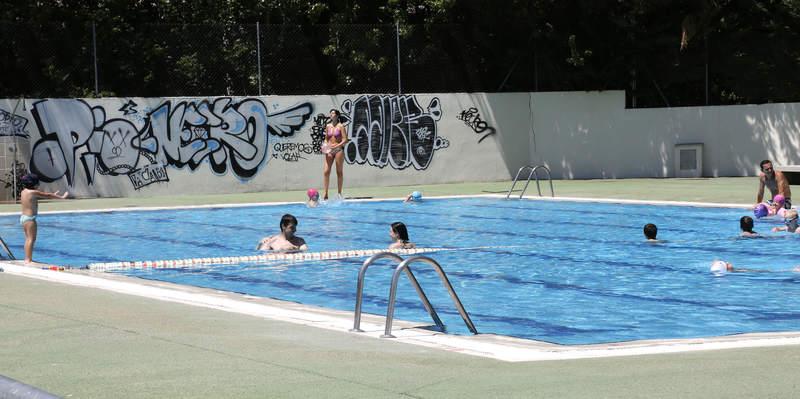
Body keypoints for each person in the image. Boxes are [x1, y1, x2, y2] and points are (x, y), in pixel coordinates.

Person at [19, 173, 69, 263]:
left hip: (23, 218)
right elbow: (47, 195)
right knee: (31, 239)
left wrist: (53, 194)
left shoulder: (24, 191)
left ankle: (26, 258)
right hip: (30, 219)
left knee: (28, 239)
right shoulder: (33, 192)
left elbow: (45, 195)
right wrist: (61, 197)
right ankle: (28, 259)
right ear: (34, 184)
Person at [322, 109, 348, 201]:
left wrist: (337, 146)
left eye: (333, 113)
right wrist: (325, 145)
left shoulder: (341, 126)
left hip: (338, 150)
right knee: (326, 171)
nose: (331, 115)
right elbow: (326, 138)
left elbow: (345, 140)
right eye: (330, 113)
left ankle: (339, 193)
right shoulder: (328, 126)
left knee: (339, 172)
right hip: (329, 150)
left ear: (337, 116)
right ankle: (325, 192)